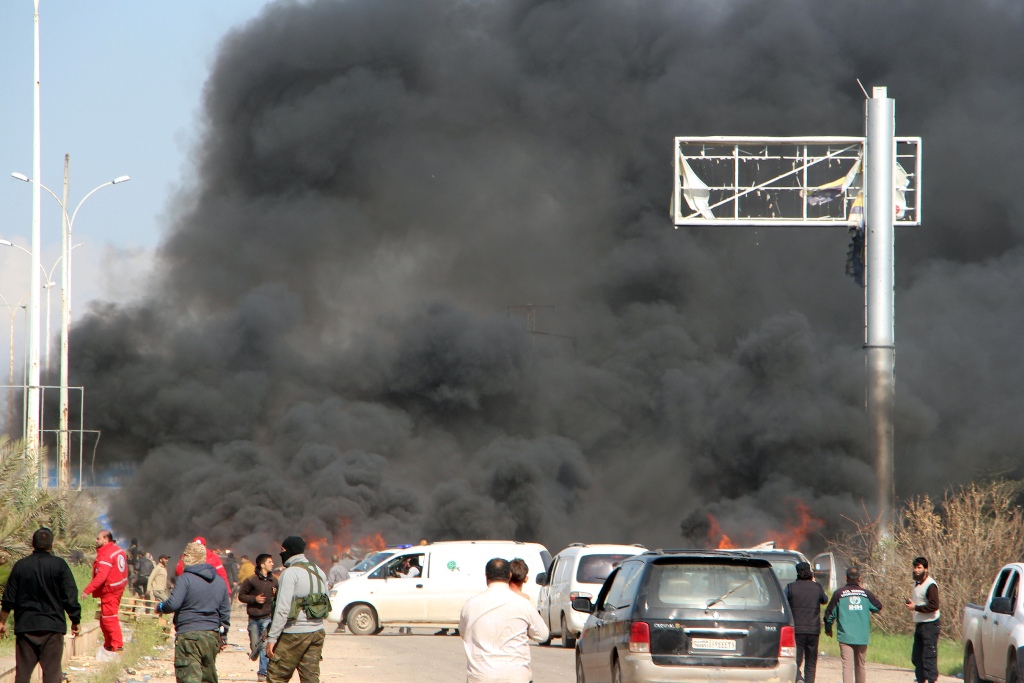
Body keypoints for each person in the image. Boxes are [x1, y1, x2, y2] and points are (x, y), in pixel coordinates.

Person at [0, 528, 82, 683]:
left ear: (33, 544)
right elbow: (69, 595)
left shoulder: (21, 566)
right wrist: (75, 620)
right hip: (52, 628)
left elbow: (8, 598)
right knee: (52, 675)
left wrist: (2, 621)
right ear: (51, 546)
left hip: (26, 628)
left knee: (22, 675)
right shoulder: (60, 565)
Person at [459, 557, 549, 683]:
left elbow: (463, 633)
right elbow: (543, 635)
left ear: (486, 577)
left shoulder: (470, 605)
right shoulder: (523, 604)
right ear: (509, 575)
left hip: (481, 677)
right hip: (516, 677)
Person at [157, 542, 231, 683]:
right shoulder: (219, 581)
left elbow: (173, 603)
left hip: (189, 635)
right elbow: (225, 611)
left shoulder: (185, 579)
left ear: (188, 557)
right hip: (211, 636)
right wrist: (224, 634)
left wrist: (160, 606)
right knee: (207, 678)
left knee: (188, 677)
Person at [265, 536, 329, 683]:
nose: (280, 553)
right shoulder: (319, 571)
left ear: (290, 550)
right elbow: (325, 601)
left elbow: (282, 609)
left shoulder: (290, 573)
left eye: (282, 550)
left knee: (276, 677)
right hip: (317, 632)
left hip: (294, 633)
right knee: (310, 678)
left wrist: (272, 638)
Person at [824, 567, 883, 683]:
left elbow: (829, 614)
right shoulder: (866, 594)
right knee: (860, 666)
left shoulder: (839, 593)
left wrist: (828, 629)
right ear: (859, 579)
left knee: (847, 667)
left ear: (846, 578)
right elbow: (878, 607)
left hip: (845, 636)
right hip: (862, 636)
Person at [84, 529, 130, 653]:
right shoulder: (119, 551)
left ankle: (117, 645)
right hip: (117, 588)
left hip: (110, 591)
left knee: (109, 618)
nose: (96, 540)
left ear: (106, 539)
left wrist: (87, 590)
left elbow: (101, 576)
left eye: (98, 538)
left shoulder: (107, 554)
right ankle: (109, 645)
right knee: (105, 618)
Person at [785, 561, 827, 683]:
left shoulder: (790, 587)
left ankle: (797, 678)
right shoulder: (817, 587)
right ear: (810, 572)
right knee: (811, 662)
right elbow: (824, 600)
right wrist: (814, 582)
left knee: (796, 660)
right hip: (813, 631)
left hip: (797, 630)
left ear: (797, 573)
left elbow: (784, 602)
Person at [239, 554, 278, 682]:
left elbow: (279, 598)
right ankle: (254, 653)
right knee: (256, 645)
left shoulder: (275, 581)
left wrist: (275, 594)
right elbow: (241, 596)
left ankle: (262, 672)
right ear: (262, 565)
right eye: (270, 562)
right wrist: (254, 599)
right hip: (254, 618)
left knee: (264, 645)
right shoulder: (251, 580)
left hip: (267, 617)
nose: (272, 564)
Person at [905, 556, 940, 683]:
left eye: (919, 567)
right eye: (915, 567)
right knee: (917, 656)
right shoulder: (916, 583)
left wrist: (916, 607)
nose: (916, 570)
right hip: (919, 623)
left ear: (926, 569)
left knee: (928, 655)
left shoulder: (931, 585)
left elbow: (934, 605)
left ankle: (931, 679)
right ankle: (920, 679)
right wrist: (912, 604)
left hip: (930, 624)